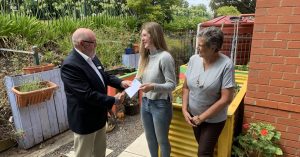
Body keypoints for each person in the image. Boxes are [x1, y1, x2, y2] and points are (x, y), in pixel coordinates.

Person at [61, 28, 130, 157]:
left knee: (99, 152)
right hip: (85, 121)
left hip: (99, 116)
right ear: (82, 44)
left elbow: (104, 76)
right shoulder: (70, 65)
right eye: (94, 42)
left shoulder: (91, 56)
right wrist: (113, 100)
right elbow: (86, 94)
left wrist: (121, 83)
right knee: (84, 154)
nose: (96, 45)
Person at [182, 26, 235, 157]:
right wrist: (184, 109)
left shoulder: (226, 65)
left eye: (200, 45)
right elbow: (186, 87)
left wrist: (202, 118)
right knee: (204, 149)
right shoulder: (193, 60)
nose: (197, 48)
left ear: (213, 47)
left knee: (203, 153)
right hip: (194, 116)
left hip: (213, 120)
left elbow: (226, 99)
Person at [136, 22, 176, 157]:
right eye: (142, 35)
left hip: (161, 104)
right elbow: (138, 80)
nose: (142, 38)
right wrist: (125, 92)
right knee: (150, 139)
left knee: (162, 141)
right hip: (146, 104)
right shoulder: (144, 57)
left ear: (154, 35)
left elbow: (172, 85)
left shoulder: (165, 57)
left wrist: (153, 86)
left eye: (145, 35)